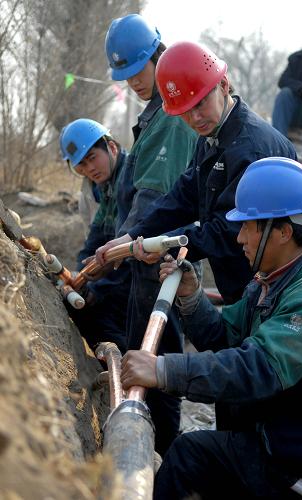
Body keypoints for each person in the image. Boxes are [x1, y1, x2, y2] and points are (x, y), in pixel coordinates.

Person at [96, 40, 298, 430]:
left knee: (258, 396)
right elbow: (185, 194)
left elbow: (227, 232)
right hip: (243, 286)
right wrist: (133, 235)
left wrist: (156, 244)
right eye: (184, 112)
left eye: (200, 104)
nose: (195, 117)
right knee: (233, 401)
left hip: (272, 288)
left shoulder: (250, 147)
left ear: (224, 85)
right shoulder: (214, 138)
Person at [121, 157, 302, 500]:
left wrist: (162, 369)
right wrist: (193, 298)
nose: (239, 237)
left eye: (248, 226)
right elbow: (226, 337)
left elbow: (257, 368)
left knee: (187, 457)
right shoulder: (271, 280)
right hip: (272, 443)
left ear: (283, 231)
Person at [102, 15, 198, 456]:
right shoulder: (154, 113)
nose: (133, 82)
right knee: (142, 347)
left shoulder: (173, 118)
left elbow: (155, 198)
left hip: (156, 257)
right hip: (142, 254)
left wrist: (124, 243)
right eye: (125, 76)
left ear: (157, 57)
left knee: (155, 354)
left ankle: (165, 452)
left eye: (137, 71)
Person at [59, 118, 131, 354]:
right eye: (81, 164)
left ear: (111, 147)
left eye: (92, 158)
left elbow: (127, 251)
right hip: (118, 276)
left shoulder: (131, 179)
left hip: (146, 272)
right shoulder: (105, 186)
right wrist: (79, 275)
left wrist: (96, 289)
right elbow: (96, 237)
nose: (89, 169)